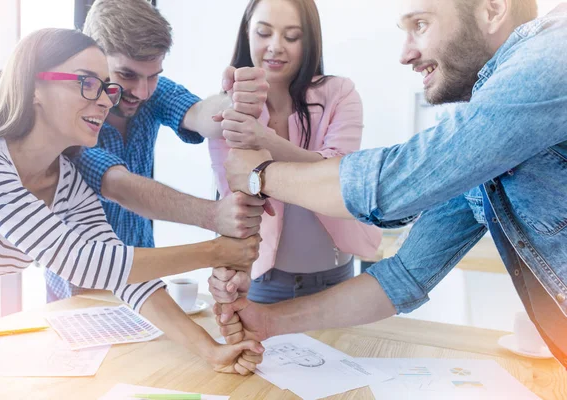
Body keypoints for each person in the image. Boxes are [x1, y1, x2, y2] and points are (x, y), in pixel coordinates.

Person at [213, 0, 567, 368]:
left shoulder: (556, 52)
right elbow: (405, 274)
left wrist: (261, 175)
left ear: (493, 9)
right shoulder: (487, 136)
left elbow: (391, 188)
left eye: (421, 25)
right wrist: (269, 321)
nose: (405, 53)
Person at [0, 28, 263, 375]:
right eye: (87, 83)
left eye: (106, 88)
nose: (108, 101)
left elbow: (123, 276)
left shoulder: (67, 183)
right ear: (34, 86)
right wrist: (217, 251)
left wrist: (208, 349)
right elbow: (78, 259)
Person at [45, 0, 270, 302]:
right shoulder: (70, 115)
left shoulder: (152, 92)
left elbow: (201, 113)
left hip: (142, 281)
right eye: (127, 75)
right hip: (82, 287)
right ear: (93, 60)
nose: (143, 91)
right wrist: (214, 215)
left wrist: (235, 103)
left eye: (153, 75)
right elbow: (118, 185)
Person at [207, 0, 381, 304]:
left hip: (336, 278)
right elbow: (232, 200)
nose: (275, 47)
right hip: (262, 279)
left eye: (291, 37)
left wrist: (266, 139)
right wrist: (227, 269)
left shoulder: (340, 93)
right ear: (248, 32)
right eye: (263, 33)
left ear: (310, 41)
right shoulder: (228, 108)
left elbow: (338, 173)